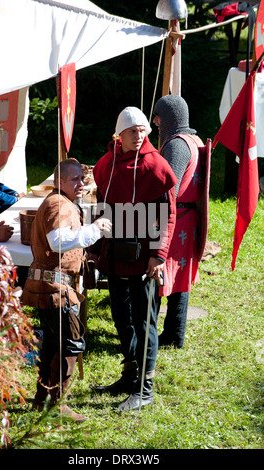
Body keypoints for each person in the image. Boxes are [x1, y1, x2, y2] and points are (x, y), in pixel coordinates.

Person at [90, 107, 177, 411]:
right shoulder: (107, 164)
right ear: (119, 135)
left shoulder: (156, 166)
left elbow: (166, 216)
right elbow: (100, 206)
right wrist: (95, 249)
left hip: (145, 259)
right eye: (132, 131)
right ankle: (130, 375)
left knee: (145, 321)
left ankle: (145, 388)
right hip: (115, 253)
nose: (139, 136)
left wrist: (158, 254)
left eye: (142, 130)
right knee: (121, 316)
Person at [21, 158, 111, 423]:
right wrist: (93, 230)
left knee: (53, 343)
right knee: (70, 343)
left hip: (52, 287)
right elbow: (57, 241)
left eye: (82, 178)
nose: (80, 184)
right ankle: (55, 404)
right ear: (58, 181)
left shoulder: (61, 202)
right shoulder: (58, 204)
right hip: (54, 288)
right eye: (74, 179)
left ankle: (43, 399)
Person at [153, 94, 204, 349]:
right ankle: (174, 334)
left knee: (161, 274)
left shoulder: (177, 145)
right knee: (178, 277)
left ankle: (165, 334)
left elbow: (167, 188)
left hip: (177, 219)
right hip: (187, 217)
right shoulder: (192, 139)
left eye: (157, 117)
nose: (155, 122)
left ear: (168, 117)